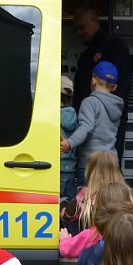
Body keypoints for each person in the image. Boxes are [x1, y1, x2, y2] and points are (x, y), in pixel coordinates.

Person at [71, 7, 131, 163]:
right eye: (76, 29)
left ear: (95, 22)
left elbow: (121, 88)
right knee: (108, 172)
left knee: (100, 170)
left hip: (104, 126)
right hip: (89, 123)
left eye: (82, 26)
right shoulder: (86, 54)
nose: (79, 32)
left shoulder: (115, 46)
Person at [61, 61, 123, 189]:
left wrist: (70, 143)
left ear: (93, 80)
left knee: (87, 203)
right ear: (114, 87)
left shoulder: (90, 102)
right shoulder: (117, 106)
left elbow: (86, 128)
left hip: (91, 164)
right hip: (111, 163)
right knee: (106, 203)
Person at [61, 149, 133, 230]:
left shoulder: (86, 195)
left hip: (94, 241)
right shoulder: (127, 193)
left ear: (90, 171)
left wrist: (62, 201)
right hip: (121, 240)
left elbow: (67, 216)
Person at [60, 75, 78, 203]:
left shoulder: (54, 115)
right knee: (71, 206)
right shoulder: (73, 114)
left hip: (58, 167)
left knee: (59, 204)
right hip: (71, 168)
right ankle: (71, 224)